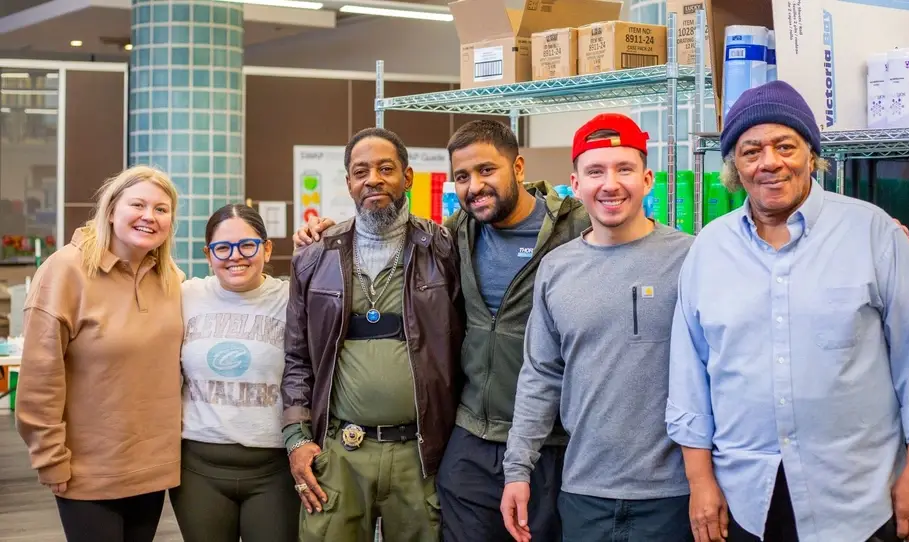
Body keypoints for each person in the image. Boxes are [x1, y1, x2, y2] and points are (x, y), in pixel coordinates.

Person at [666, 80, 909, 542]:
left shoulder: (874, 234)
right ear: (734, 166)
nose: (770, 163)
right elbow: (689, 378)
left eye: (786, 146)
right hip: (746, 496)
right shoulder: (709, 249)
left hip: (856, 496)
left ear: (811, 154)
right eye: (751, 150)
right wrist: (700, 482)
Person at [293, 119, 592, 541]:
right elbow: (298, 356)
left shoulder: (572, 231)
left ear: (518, 168)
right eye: (463, 177)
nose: (475, 186)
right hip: (466, 436)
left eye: (487, 170)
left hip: (545, 437)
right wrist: (321, 232)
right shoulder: (454, 236)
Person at [500, 113, 692, 542]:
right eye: (595, 171)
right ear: (576, 182)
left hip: (675, 494)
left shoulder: (691, 260)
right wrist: (518, 469)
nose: (610, 184)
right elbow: (540, 377)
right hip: (584, 490)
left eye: (624, 169)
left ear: (647, 179)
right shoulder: (556, 268)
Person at [281, 127, 464, 541]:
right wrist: (296, 438)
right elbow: (296, 358)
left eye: (386, 168)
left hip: (420, 454)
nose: (373, 180)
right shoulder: (314, 256)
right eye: (361, 171)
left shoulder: (444, 250)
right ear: (348, 183)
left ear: (408, 177)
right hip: (341, 452)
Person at [15, 165, 184, 542]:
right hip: (88, 471)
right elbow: (40, 381)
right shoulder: (64, 271)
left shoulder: (172, 277)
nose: (149, 217)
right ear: (110, 210)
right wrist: (50, 458)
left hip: (154, 466)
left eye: (161, 209)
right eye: (137, 204)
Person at [169, 204, 300, 542]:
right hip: (198, 467)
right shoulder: (185, 296)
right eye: (222, 248)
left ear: (267, 248)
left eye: (247, 245)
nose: (235, 257)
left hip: (274, 468)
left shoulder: (292, 299)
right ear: (208, 255)